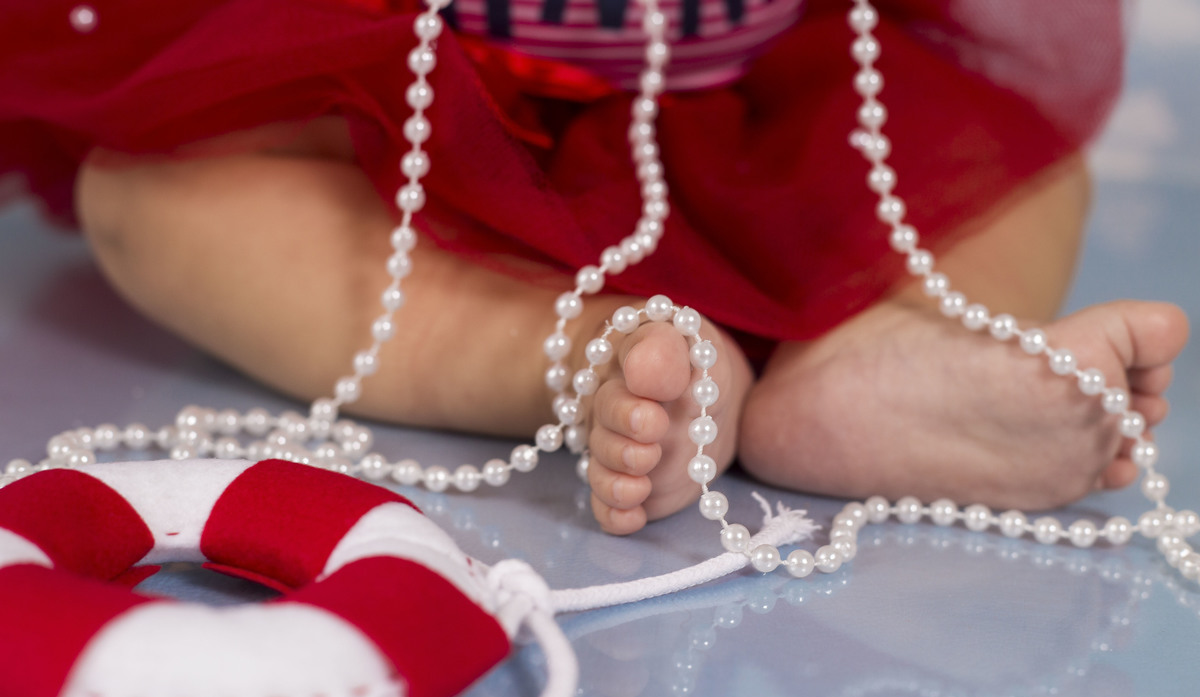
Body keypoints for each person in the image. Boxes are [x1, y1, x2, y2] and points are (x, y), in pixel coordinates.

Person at [1, 0, 1189, 535]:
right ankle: (570, 352)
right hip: (405, 112)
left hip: (769, 103)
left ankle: (888, 348)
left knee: (1019, 168)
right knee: (154, 191)